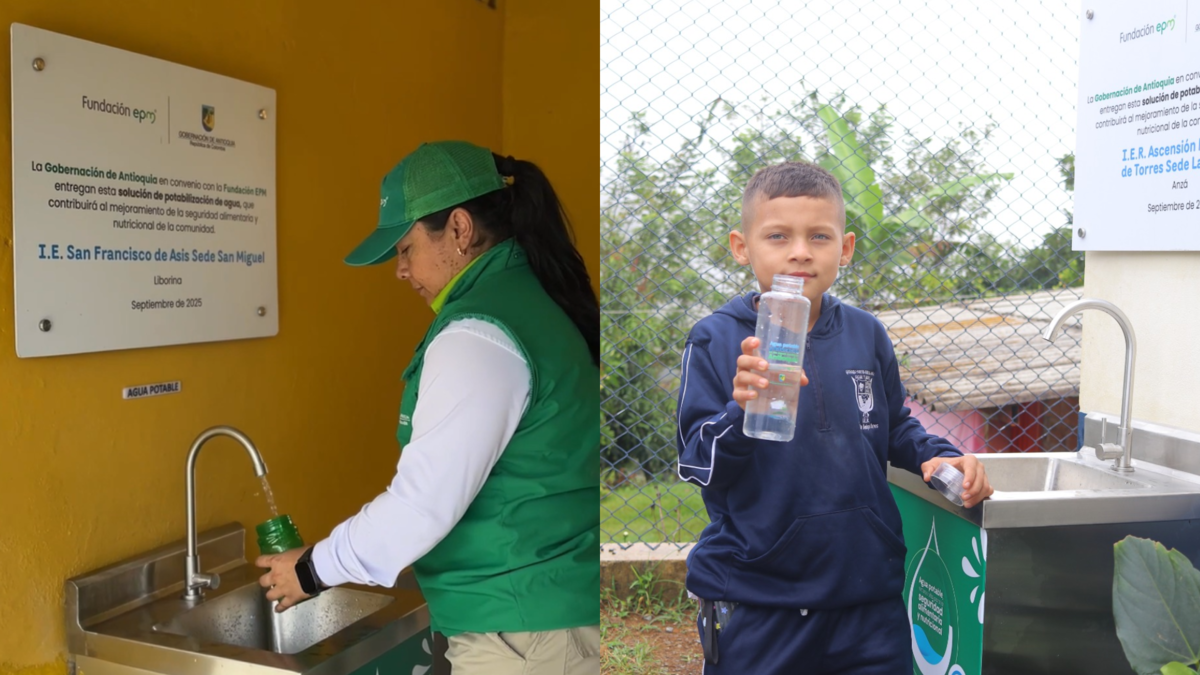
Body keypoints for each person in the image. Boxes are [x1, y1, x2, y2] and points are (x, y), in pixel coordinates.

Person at [255, 140, 600, 675]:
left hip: (524, 633)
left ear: (459, 229)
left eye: (405, 248)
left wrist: (311, 569)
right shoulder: (526, 299)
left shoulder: (478, 335)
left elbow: (421, 505)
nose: (400, 270)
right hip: (541, 614)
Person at [675, 161, 994, 674]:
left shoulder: (866, 334)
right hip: (763, 600)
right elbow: (697, 464)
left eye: (819, 236)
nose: (800, 251)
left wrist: (940, 457)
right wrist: (742, 411)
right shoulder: (715, 338)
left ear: (844, 249)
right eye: (778, 236)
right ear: (742, 247)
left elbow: (894, 427)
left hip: (867, 597)